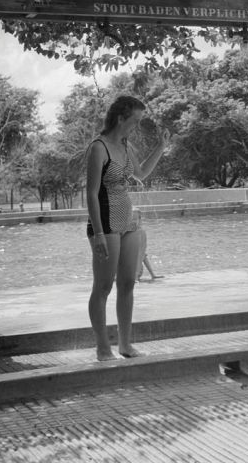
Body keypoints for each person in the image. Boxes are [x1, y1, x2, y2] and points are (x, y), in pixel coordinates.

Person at [86, 95, 169, 361]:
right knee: (103, 287)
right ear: (121, 118)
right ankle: (102, 347)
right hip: (106, 224)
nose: (137, 126)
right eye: (135, 120)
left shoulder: (125, 145)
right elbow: (90, 194)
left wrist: (161, 146)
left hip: (128, 222)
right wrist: (98, 233)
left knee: (127, 284)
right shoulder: (99, 148)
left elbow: (141, 173)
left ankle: (125, 344)